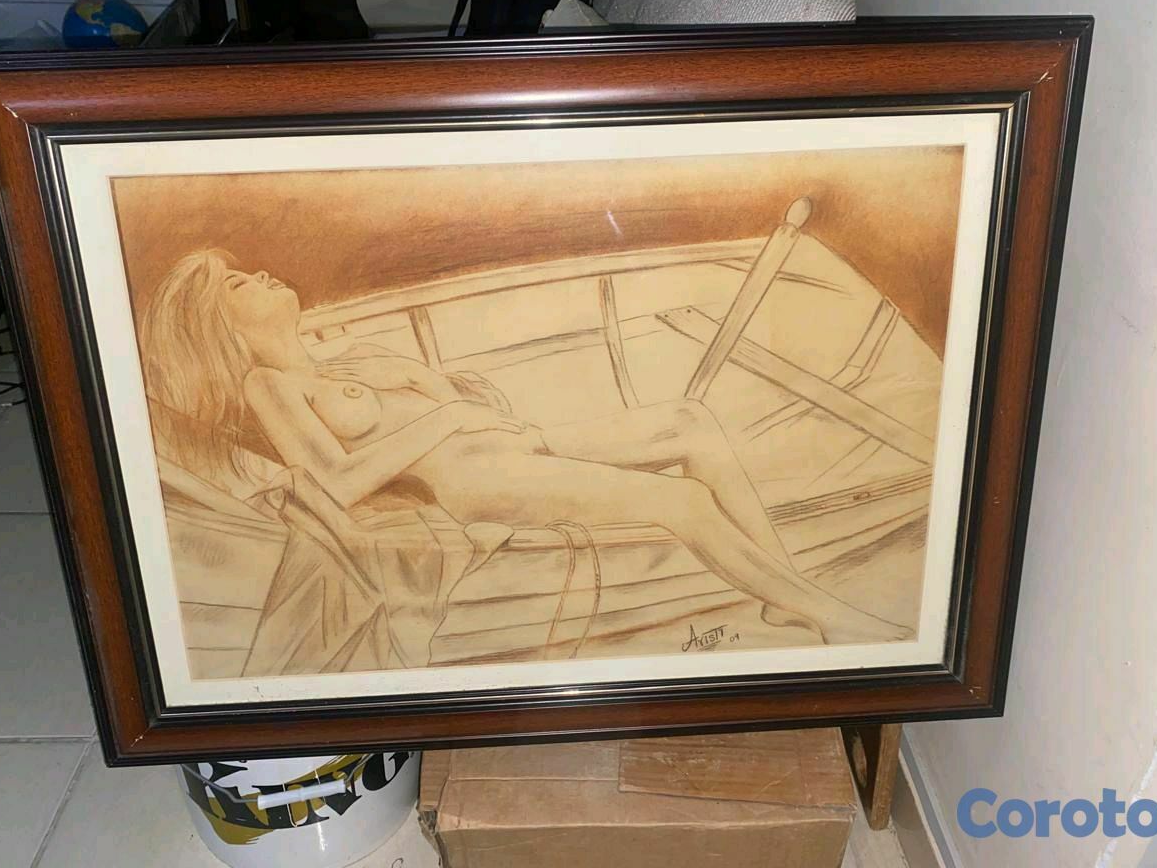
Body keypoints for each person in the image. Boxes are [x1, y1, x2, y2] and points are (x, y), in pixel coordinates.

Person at [139, 249, 906, 644]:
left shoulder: (343, 354)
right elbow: (335, 481)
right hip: (473, 479)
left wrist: (457, 399)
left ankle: (782, 593)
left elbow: (450, 399)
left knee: (689, 420)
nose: (260, 274)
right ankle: (827, 615)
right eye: (237, 284)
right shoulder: (270, 387)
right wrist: (446, 419)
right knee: (681, 500)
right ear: (222, 327)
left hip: (509, 445)